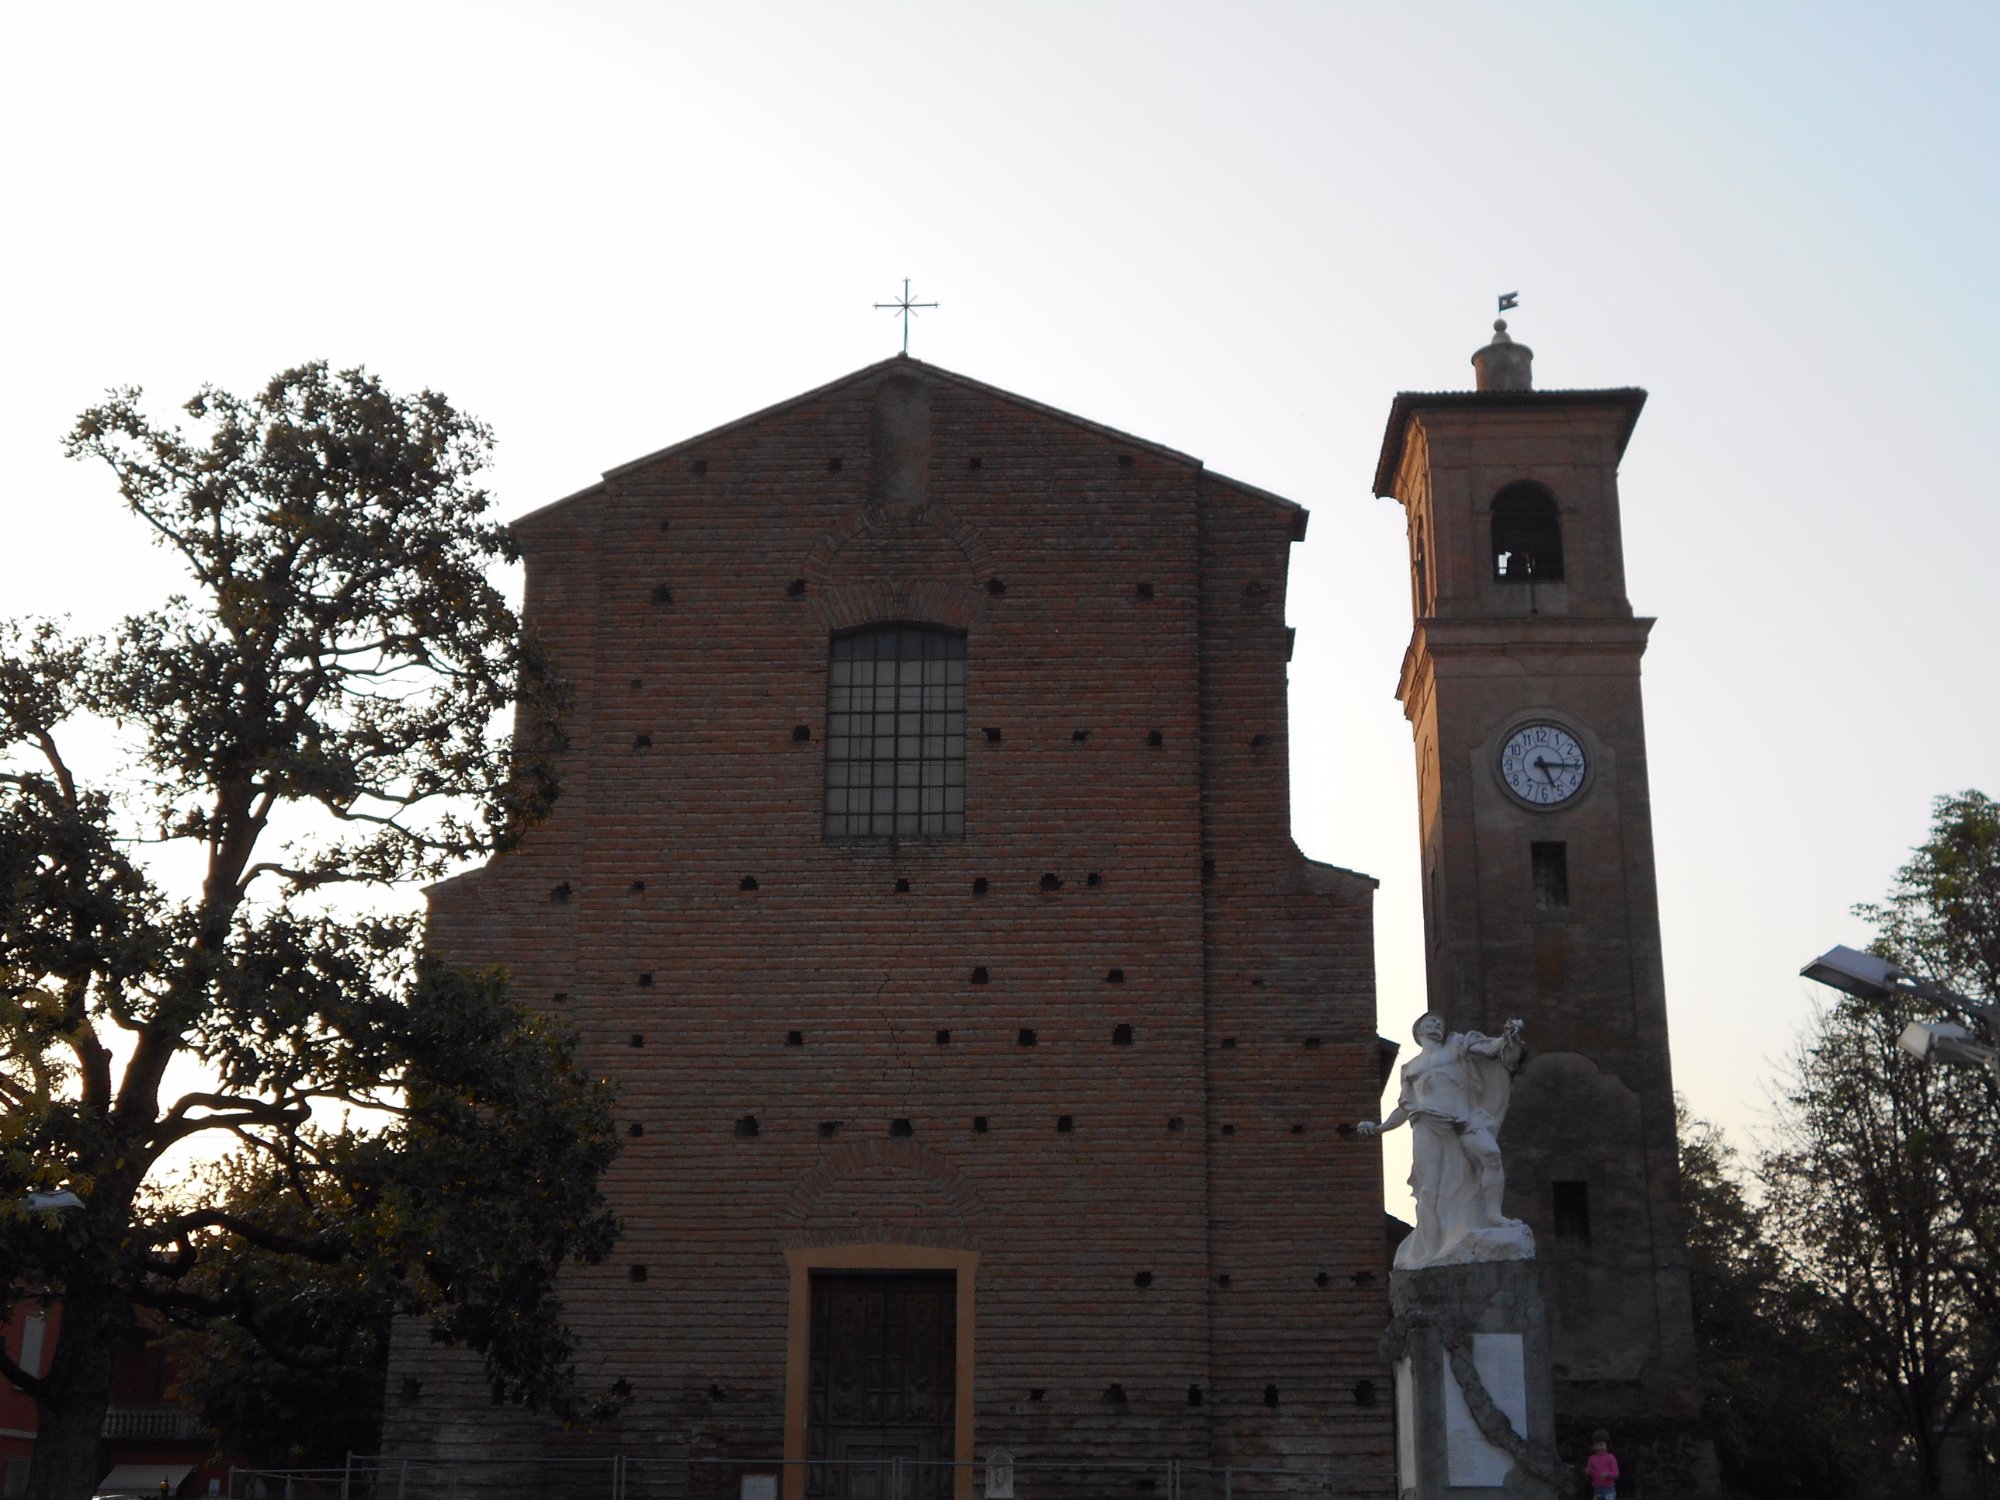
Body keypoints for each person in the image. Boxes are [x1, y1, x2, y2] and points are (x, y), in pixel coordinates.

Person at [1358, 1013, 1532, 1270]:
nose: (1437, 1025)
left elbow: (1492, 1049)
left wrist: (1508, 1038)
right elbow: (1404, 1107)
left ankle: (1494, 1216)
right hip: (1427, 1122)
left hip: (1465, 1119)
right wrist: (1379, 1128)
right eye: (1430, 1022)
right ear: (1417, 1031)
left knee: (1491, 1156)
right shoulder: (1411, 1068)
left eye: (1440, 1022)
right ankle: (1431, 1251)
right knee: (1429, 1189)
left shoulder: (1458, 1045)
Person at [1585, 1430, 1620, 1500]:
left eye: (1601, 1445)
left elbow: (1616, 1474)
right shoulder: (1591, 1458)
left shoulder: (1611, 1457)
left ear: (1607, 1445)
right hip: (1597, 1489)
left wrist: (1607, 1474)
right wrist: (1587, 1472)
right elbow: (1591, 1472)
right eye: (1596, 1445)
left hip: (1609, 1489)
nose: (1598, 1447)